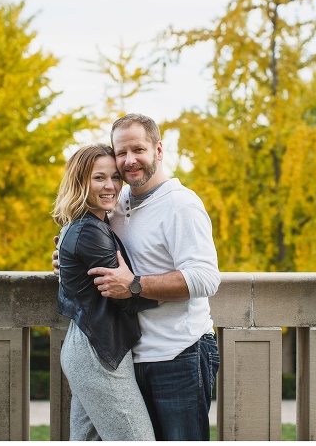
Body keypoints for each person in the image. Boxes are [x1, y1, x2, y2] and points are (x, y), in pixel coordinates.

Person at [53, 113, 221, 441]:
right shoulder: (119, 201)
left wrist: (134, 285)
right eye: (121, 153)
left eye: (138, 150)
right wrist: (65, 257)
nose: (130, 161)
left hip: (179, 355)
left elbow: (205, 278)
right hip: (130, 355)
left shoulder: (182, 205)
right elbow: (84, 231)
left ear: (158, 150)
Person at [52, 143, 157, 441]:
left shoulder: (89, 225)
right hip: (98, 353)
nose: (111, 186)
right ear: (80, 181)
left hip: (88, 345)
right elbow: (125, 297)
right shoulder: (90, 230)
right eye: (99, 178)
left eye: (115, 177)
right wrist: (186, 286)